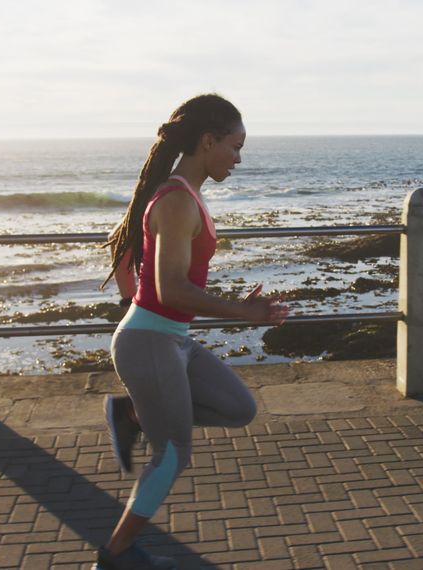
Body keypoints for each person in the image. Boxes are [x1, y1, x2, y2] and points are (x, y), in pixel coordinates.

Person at [96, 94, 288, 570]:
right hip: (149, 341)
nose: (239, 158)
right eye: (235, 146)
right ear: (208, 141)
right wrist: (244, 313)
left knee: (239, 407)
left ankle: (134, 415)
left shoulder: (184, 194)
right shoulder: (178, 198)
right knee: (172, 455)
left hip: (171, 340)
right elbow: (171, 288)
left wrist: (241, 307)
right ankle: (115, 557)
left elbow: (162, 279)